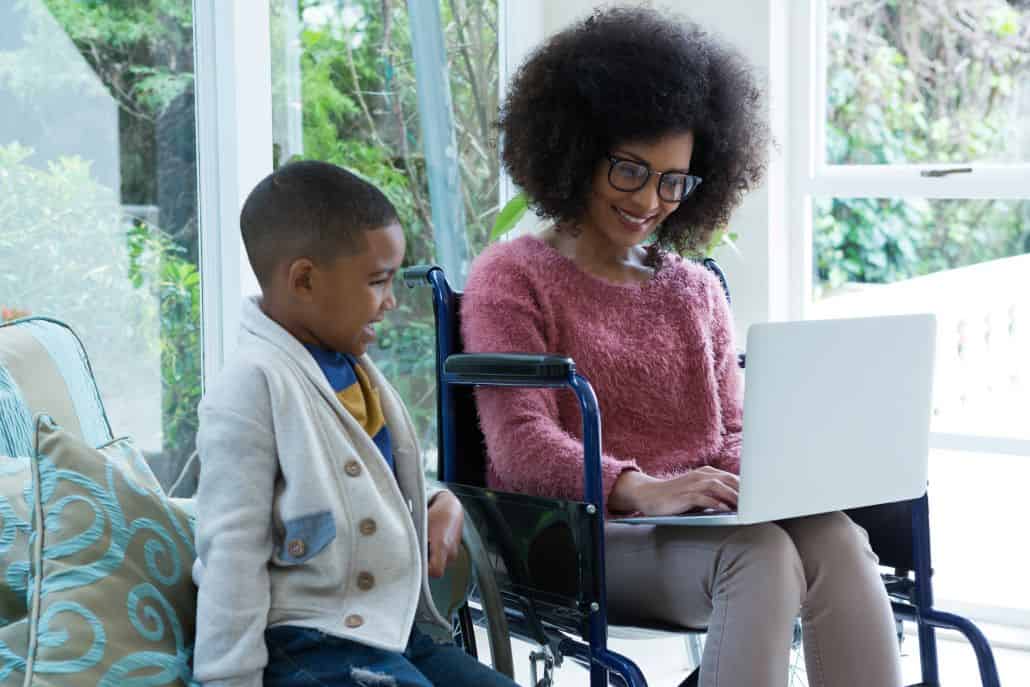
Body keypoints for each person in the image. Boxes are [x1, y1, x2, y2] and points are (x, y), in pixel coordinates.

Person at [461, 8, 902, 687]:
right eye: (631, 171)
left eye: (675, 181)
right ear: (576, 150)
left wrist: (769, 476)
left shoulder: (694, 288)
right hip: (578, 532)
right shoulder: (511, 276)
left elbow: (728, 431)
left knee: (837, 536)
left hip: (698, 527)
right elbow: (521, 449)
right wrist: (641, 488)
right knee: (757, 555)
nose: (653, 201)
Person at [192, 160, 519, 687]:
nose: (390, 301)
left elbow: (371, 474)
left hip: (393, 634)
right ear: (304, 280)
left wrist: (439, 501)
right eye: (377, 281)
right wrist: (228, 680)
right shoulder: (252, 384)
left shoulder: (349, 366)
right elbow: (231, 550)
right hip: (310, 645)